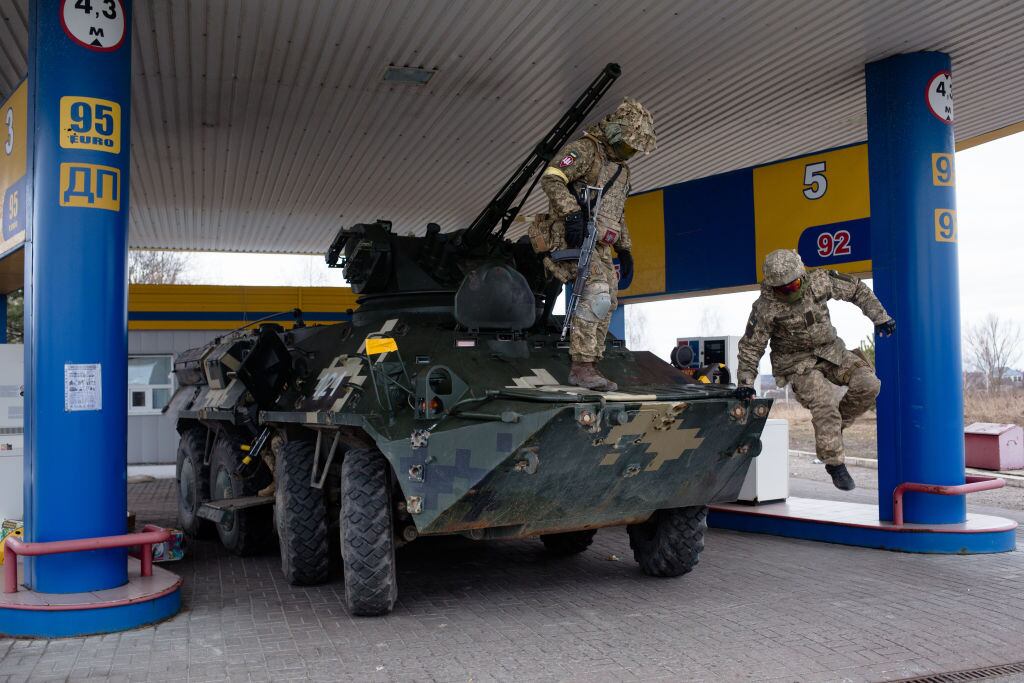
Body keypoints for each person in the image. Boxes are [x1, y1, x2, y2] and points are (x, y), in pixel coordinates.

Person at [735, 249, 896, 490]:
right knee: (824, 405)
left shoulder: (819, 282)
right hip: (797, 363)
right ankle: (834, 462)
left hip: (831, 351)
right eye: (783, 289)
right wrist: (746, 383)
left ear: (802, 275)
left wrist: (880, 317)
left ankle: (833, 428)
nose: (791, 291)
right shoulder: (764, 309)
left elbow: (856, 289)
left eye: (794, 284)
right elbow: (751, 346)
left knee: (869, 384)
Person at [538, 97, 656, 391]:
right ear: (615, 133)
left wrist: (624, 248)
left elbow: (616, 212)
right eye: (628, 145)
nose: (629, 153)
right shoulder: (585, 150)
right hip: (572, 237)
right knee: (596, 294)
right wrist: (571, 213)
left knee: (610, 302)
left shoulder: (621, 169)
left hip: (601, 244)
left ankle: (592, 363)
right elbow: (552, 178)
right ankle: (582, 366)